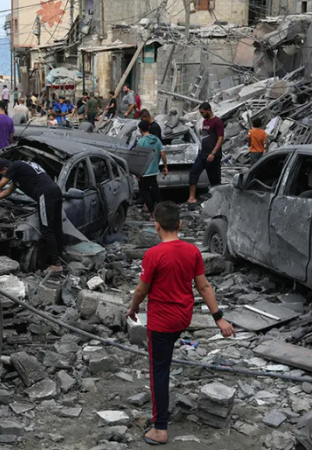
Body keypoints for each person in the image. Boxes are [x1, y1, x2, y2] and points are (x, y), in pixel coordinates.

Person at [126, 201, 235, 445]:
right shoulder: (192, 251)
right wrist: (219, 318)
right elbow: (204, 286)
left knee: (159, 370)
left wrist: (133, 309)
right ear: (180, 224)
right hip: (182, 318)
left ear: (156, 226)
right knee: (164, 362)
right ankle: (161, 418)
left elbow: (142, 290)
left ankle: (160, 428)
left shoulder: (153, 254)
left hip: (161, 322)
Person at [0, 158, 65, 272]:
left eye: (2, 173)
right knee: (56, 227)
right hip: (55, 191)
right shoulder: (20, 170)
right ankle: (60, 256)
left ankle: (56, 265)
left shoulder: (14, 166)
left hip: (45, 195)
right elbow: (7, 192)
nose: (3, 175)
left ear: (5, 169)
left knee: (46, 230)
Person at [187, 102, 224, 204]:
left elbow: (220, 139)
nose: (201, 115)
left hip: (213, 155)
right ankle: (191, 198)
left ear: (208, 110)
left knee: (215, 180)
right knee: (193, 173)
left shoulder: (217, 122)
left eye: (202, 112)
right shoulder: (205, 121)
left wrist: (213, 153)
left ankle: (218, 201)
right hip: (203, 153)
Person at [135, 120, 167, 217]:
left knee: (145, 192)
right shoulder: (157, 140)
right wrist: (165, 166)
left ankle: (152, 212)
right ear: (149, 127)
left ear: (140, 130)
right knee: (155, 189)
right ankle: (161, 209)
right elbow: (163, 153)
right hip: (154, 171)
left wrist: (137, 173)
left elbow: (139, 158)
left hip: (144, 172)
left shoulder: (141, 142)